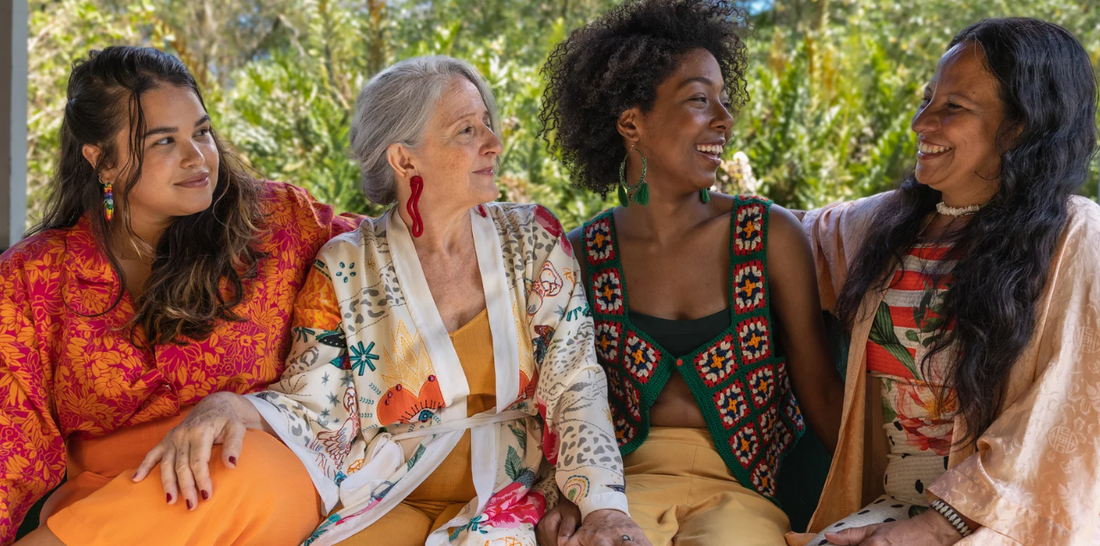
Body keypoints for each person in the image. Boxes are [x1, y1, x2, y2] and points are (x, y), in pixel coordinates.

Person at [135, 55, 650, 546]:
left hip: (507, 492)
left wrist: (603, 505)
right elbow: (313, 402)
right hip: (384, 489)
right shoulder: (343, 265)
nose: (493, 143)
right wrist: (230, 405)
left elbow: (574, 380)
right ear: (404, 159)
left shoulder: (534, 239)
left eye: (487, 124)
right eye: (467, 130)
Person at [4, 47, 362, 546]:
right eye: (164, 141)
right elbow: (9, 443)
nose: (197, 157)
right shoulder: (35, 274)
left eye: (201, 131)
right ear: (101, 159)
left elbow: (394, 258)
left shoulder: (279, 221)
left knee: (247, 467)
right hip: (108, 508)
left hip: (252, 478)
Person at [536, 1, 846, 545]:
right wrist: (566, 492)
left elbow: (819, 388)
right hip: (617, 495)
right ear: (632, 122)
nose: (724, 120)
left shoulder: (768, 236)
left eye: (724, 101)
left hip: (741, 497)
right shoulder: (583, 253)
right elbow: (560, 398)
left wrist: (885, 503)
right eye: (701, 101)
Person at [787, 18, 1100, 546]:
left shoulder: (1079, 238)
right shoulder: (884, 226)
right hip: (893, 510)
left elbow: (1066, 416)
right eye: (928, 98)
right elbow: (775, 234)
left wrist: (935, 528)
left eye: (953, 107)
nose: (920, 121)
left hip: (1009, 522)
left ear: (1021, 126)